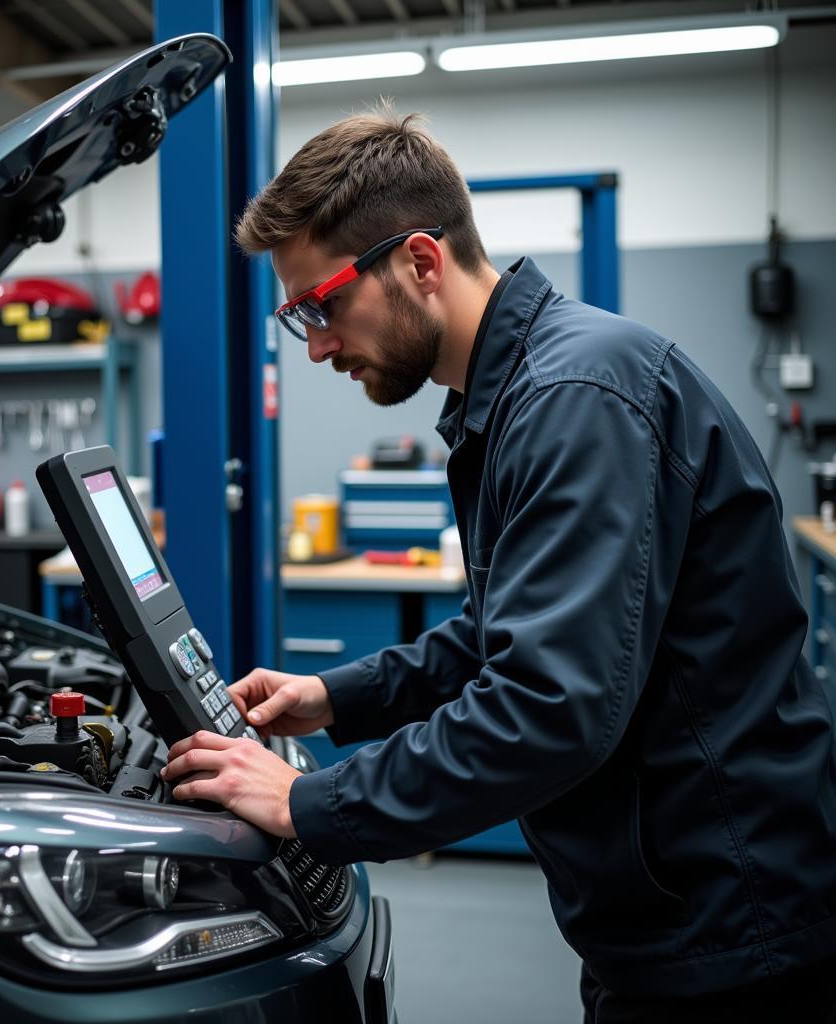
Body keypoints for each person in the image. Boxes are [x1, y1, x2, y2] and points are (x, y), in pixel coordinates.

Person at [160, 108, 836, 1021]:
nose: (315, 347)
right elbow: (504, 632)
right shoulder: (520, 396)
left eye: (321, 307)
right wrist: (336, 697)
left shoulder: (575, 399)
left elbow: (548, 707)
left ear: (421, 263)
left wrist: (313, 803)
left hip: (732, 933)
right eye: (296, 319)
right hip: (674, 914)